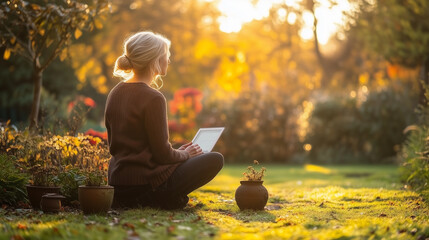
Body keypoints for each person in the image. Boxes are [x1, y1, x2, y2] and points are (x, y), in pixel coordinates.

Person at [105, 31, 224, 210]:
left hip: (118, 184)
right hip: (146, 185)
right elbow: (162, 155)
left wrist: (181, 153)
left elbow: (136, 149)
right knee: (215, 159)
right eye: (166, 55)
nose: (168, 60)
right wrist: (186, 155)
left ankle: (164, 198)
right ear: (155, 60)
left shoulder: (115, 92)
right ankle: (160, 198)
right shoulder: (153, 98)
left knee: (188, 157)